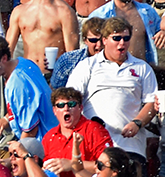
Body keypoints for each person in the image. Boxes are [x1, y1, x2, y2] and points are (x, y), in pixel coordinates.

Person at [66, 16, 157, 163]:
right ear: (104, 40)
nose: (122, 43)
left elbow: (151, 102)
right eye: (117, 38)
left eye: (126, 38)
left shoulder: (142, 68)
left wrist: (138, 123)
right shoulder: (87, 65)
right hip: (94, 145)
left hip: (130, 146)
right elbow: (69, 100)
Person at [4, 0, 79, 75]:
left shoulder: (64, 12)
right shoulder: (19, 12)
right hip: (27, 75)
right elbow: (7, 51)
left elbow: (72, 55)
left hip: (53, 76)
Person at [0, 34, 57, 139]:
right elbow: (28, 105)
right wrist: (6, 119)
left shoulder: (17, 84)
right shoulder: (24, 63)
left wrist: (18, 151)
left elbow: (31, 130)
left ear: (4, 58)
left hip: (44, 143)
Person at [90, 0, 163, 65]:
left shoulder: (147, 11)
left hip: (142, 73)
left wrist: (163, 32)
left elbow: (160, 34)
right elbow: (91, 49)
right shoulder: (100, 16)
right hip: (112, 73)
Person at [52, 18, 106, 89]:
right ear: (85, 40)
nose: (99, 45)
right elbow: (56, 90)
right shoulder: (67, 60)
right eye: (93, 40)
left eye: (102, 40)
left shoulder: (120, 61)